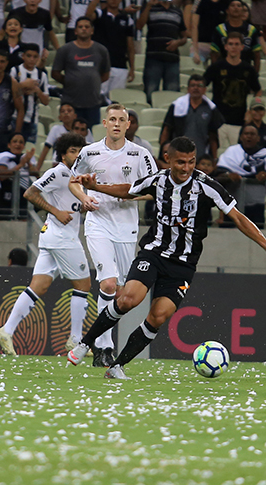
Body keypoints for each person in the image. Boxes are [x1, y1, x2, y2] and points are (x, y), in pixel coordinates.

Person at [67, 135, 266, 379]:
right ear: (168, 160)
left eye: (191, 162)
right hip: (154, 252)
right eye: (181, 162)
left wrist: (265, 244)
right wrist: (95, 187)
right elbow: (129, 191)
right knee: (128, 299)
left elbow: (237, 216)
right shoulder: (158, 180)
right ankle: (85, 343)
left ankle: (117, 367)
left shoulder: (206, 186)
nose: (187, 168)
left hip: (183, 265)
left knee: (158, 316)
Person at [68, 103, 157, 368]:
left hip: (126, 227)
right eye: (112, 119)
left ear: (129, 125)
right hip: (98, 224)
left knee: (119, 291)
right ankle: (103, 347)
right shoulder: (89, 151)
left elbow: (155, 189)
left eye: (122, 120)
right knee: (107, 284)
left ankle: (101, 343)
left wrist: (128, 193)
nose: (117, 123)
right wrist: (84, 198)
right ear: (104, 124)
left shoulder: (140, 154)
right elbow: (73, 180)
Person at [0, 132, 91, 354]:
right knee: (83, 286)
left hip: (53, 237)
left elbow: (71, 202)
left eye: (79, 151)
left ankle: (6, 330)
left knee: (39, 286)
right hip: (61, 237)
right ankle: (75, 339)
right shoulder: (58, 172)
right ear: (63, 154)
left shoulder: (78, 174)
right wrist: (56, 211)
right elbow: (30, 193)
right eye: (72, 151)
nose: (76, 155)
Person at [216, 124, 266, 227]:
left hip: (256, 206)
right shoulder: (231, 152)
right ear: (241, 137)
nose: (249, 136)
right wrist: (228, 176)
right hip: (232, 205)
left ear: (258, 138)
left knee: (257, 236)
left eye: (252, 134)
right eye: (246, 133)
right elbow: (218, 175)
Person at [203, 32, 262, 150]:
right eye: (230, 44)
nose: (233, 47)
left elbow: (258, 91)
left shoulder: (248, 69)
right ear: (226, 47)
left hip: (239, 121)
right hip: (218, 121)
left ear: (242, 47)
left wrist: (250, 111)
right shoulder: (216, 67)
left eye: (236, 44)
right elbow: (202, 86)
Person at [51, 16, 110, 126]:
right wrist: (70, 81)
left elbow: (105, 74)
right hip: (71, 103)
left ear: (92, 31)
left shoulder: (101, 50)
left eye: (87, 27)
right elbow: (55, 73)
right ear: (75, 31)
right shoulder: (65, 50)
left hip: (93, 103)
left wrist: (92, 82)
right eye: (80, 27)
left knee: (91, 139)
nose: (83, 29)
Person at [137, 0, 187, 105]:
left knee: (172, 94)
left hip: (172, 59)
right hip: (153, 57)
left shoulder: (177, 11)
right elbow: (139, 25)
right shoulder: (151, 8)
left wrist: (178, 43)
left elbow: (185, 37)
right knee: (150, 91)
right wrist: (148, 5)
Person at [85, 0, 135, 99]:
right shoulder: (99, 14)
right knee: (97, 98)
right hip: (100, 65)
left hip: (120, 65)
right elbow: (87, 16)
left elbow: (130, 47)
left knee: (116, 101)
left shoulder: (127, 20)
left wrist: (132, 68)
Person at [160, 74, 224, 160]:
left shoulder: (210, 109)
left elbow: (213, 136)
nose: (196, 88)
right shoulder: (176, 106)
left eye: (199, 86)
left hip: (201, 155)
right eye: (193, 85)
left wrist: (214, 158)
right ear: (188, 89)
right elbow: (167, 129)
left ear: (205, 89)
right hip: (178, 154)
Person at [0, 132, 34, 220]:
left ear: (24, 146)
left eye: (21, 142)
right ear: (9, 145)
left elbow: (36, 175)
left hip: (23, 194)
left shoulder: (27, 158)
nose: (18, 144)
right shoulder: (4, 156)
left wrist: (28, 162)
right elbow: (1, 174)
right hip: (4, 195)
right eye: (15, 141)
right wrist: (20, 165)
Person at [5, 0, 59, 64]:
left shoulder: (45, 14)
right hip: (19, 52)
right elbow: (3, 32)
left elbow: (50, 33)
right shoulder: (16, 13)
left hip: (37, 53)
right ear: (24, 0)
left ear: (40, 0)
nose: (32, 0)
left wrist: (59, 50)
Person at [10, 43, 50, 144]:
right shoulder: (15, 71)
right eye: (29, 56)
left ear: (38, 58)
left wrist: (37, 91)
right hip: (14, 117)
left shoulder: (42, 75)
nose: (31, 59)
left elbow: (46, 101)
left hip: (32, 120)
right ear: (23, 56)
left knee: (30, 151)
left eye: (35, 56)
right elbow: (8, 93)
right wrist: (23, 85)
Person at [190, 0, 231, 66]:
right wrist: (195, 50)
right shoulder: (200, 0)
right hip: (202, 43)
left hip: (221, 45)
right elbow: (194, 26)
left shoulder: (228, 0)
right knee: (194, 62)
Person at [209, 0, 262, 70]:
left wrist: (255, 73)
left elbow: (257, 54)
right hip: (224, 69)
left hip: (245, 70)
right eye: (233, 5)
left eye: (239, 6)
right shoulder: (220, 29)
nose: (236, 8)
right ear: (227, 10)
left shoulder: (251, 30)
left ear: (243, 11)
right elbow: (214, 54)